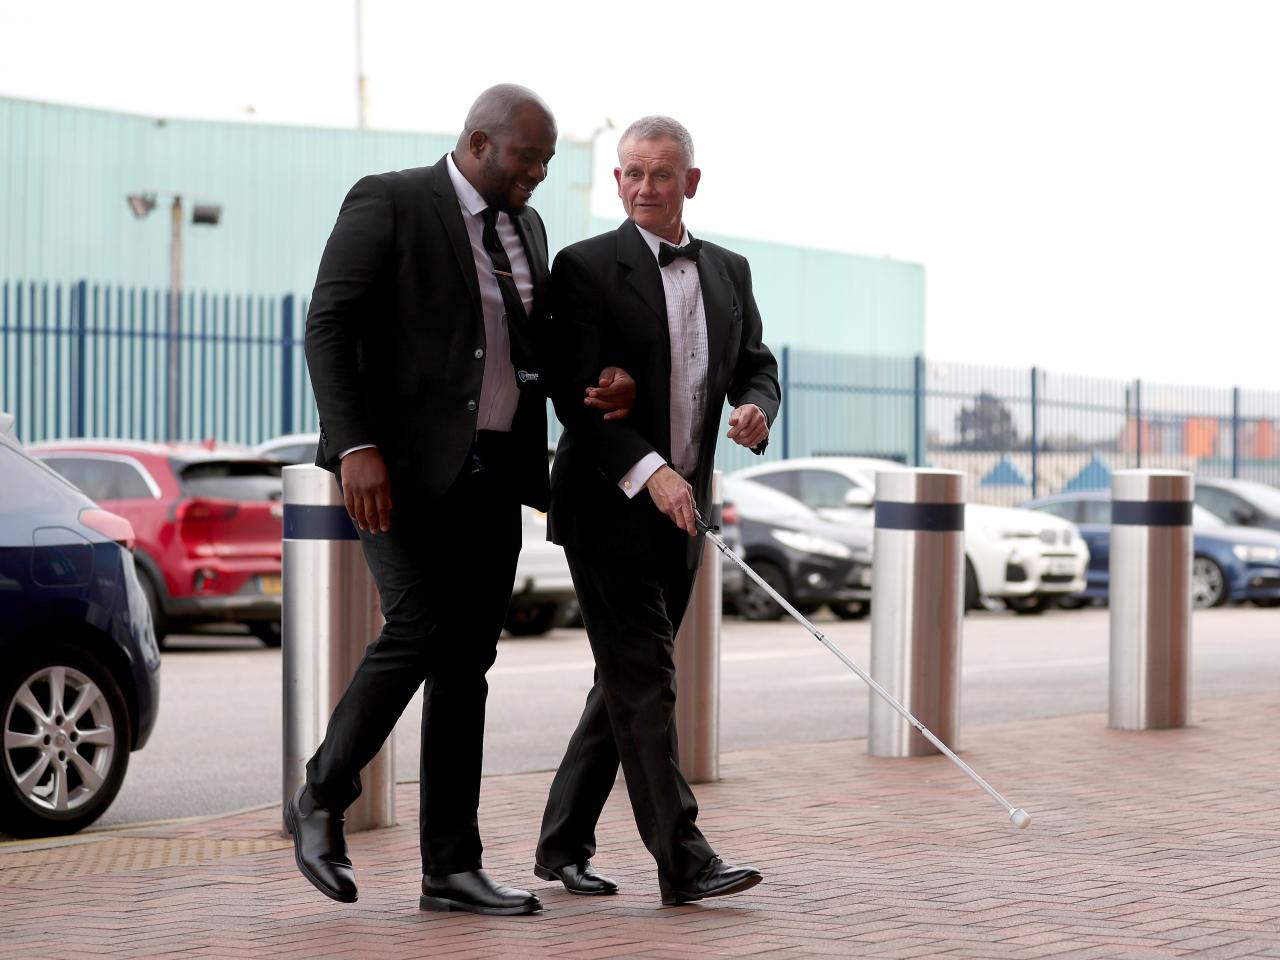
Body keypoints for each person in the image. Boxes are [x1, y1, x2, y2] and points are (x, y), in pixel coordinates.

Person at [287, 84, 634, 916]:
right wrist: (355, 447)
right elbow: (329, 324)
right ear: (479, 142)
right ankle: (322, 795)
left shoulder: (527, 228)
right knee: (418, 627)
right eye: (527, 158)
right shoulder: (391, 200)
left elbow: (534, 347)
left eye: (547, 161)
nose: (538, 173)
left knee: (466, 665)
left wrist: (604, 382)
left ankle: (450, 869)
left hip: (494, 473)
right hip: (399, 470)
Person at [533, 116, 780, 906]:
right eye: (632, 173)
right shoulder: (583, 268)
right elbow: (576, 397)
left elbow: (756, 365)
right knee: (647, 683)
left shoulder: (730, 271)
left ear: (690, 183)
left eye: (661, 174)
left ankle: (561, 843)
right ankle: (685, 861)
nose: (644, 187)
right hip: (606, 510)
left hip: (684, 519)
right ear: (617, 180)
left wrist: (757, 408)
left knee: (623, 686)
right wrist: (652, 472)